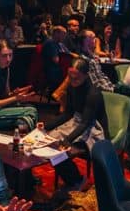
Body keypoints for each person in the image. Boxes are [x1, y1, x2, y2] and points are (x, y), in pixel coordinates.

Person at [44, 59, 106, 190]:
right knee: (48, 144)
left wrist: (67, 140)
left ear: (86, 75)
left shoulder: (93, 93)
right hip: (77, 122)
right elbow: (68, 113)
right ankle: (72, 180)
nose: (72, 80)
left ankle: (77, 181)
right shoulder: (72, 87)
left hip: (93, 129)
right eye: (69, 76)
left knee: (60, 152)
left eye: (76, 77)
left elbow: (86, 123)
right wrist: (46, 126)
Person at [0, 40, 38, 130]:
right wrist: (15, 98)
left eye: (10, 55)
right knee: (31, 112)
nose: (8, 59)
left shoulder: (6, 69)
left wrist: (15, 93)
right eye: (4, 55)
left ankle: (20, 129)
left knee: (30, 109)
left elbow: (6, 95)